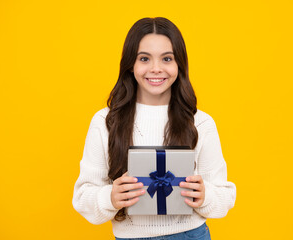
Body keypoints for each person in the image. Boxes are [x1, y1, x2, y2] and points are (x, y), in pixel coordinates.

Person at [72, 17, 236, 240]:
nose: (156, 69)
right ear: (131, 64)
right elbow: (82, 196)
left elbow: (225, 196)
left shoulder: (200, 122)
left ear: (179, 64)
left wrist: (205, 195)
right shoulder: (105, 122)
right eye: (144, 58)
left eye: (167, 58)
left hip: (189, 235)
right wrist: (110, 197)